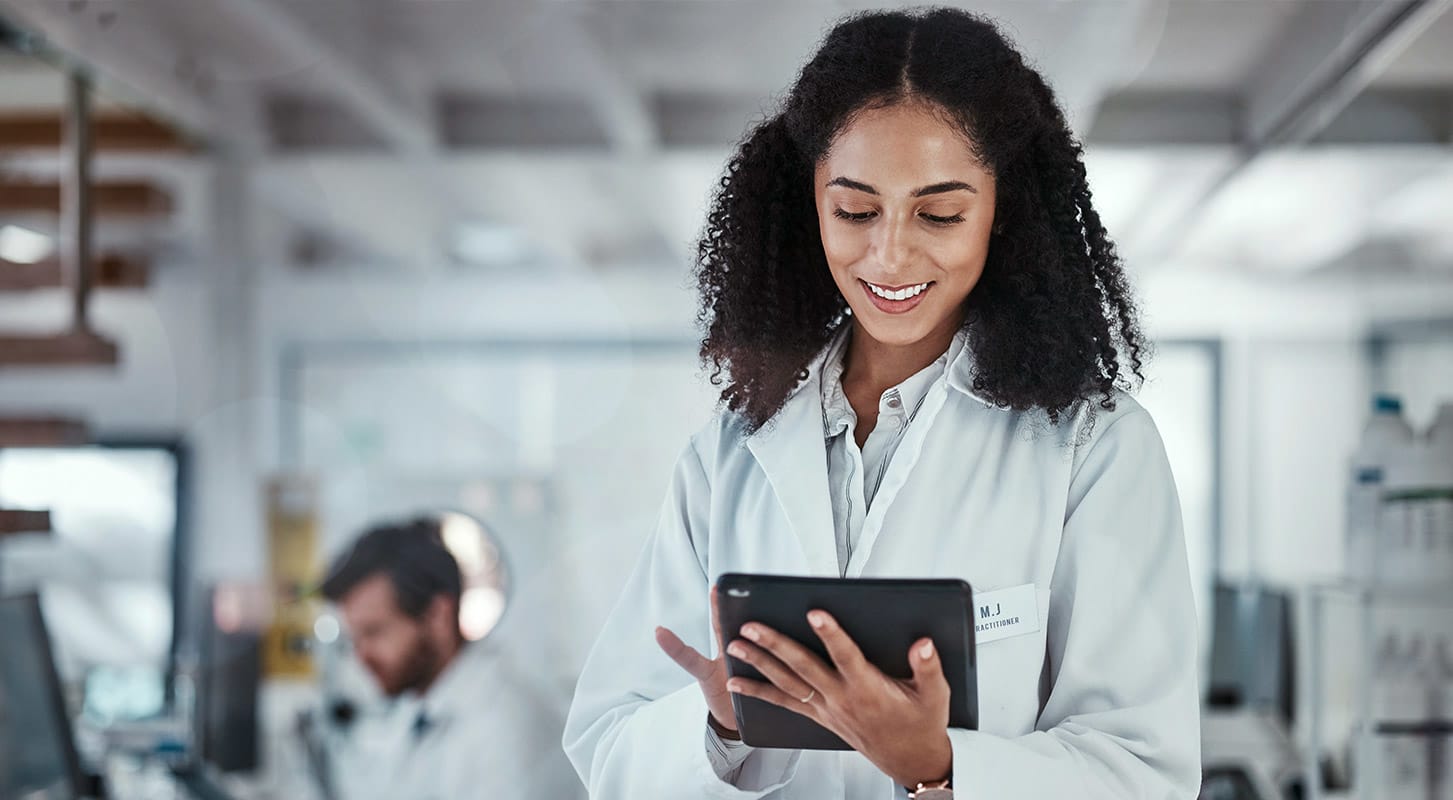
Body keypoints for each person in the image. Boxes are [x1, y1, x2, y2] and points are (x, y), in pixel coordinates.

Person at [563, 8, 1200, 800]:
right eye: (855, 210)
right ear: (810, 205)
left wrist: (938, 768)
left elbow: (1143, 772)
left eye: (939, 213)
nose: (890, 253)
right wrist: (723, 729)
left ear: (1004, 214)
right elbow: (607, 743)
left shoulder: (1093, 447)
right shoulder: (728, 455)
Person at [320, 517, 582, 799]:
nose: (361, 656)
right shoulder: (421, 705)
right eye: (354, 639)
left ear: (438, 616)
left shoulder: (505, 730)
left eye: (374, 632)